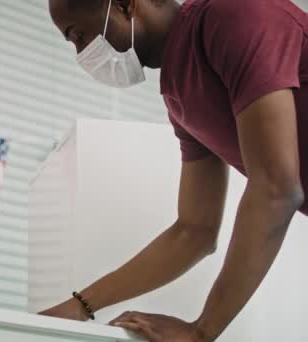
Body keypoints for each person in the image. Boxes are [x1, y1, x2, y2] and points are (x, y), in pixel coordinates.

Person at [39, 0, 308, 341]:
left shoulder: (234, 15)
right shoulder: (179, 95)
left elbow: (277, 190)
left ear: (124, 6)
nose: (82, 52)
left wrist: (202, 330)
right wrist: (80, 307)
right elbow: (194, 230)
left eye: (79, 35)